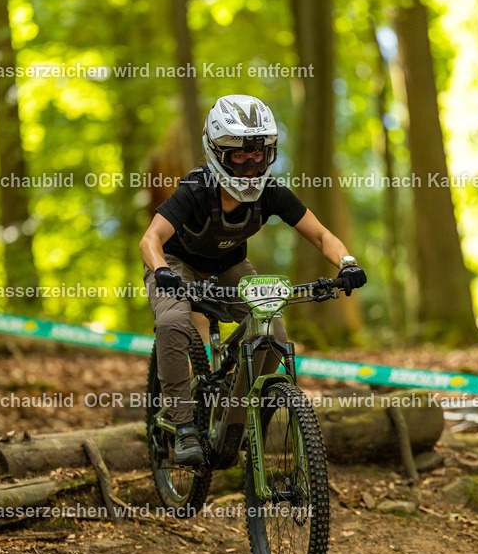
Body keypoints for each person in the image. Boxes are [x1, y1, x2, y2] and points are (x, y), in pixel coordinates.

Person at [139, 94, 367, 465]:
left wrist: (347, 263)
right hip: (175, 264)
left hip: (228, 267)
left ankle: (235, 416)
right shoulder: (196, 190)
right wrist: (161, 271)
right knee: (172, 321)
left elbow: (322, 235)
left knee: (273, 335)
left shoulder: (272, 193)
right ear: (217, 152)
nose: (250, 164)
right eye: (240, 155)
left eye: (258, 154)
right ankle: (182, 427)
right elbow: (150, 239)